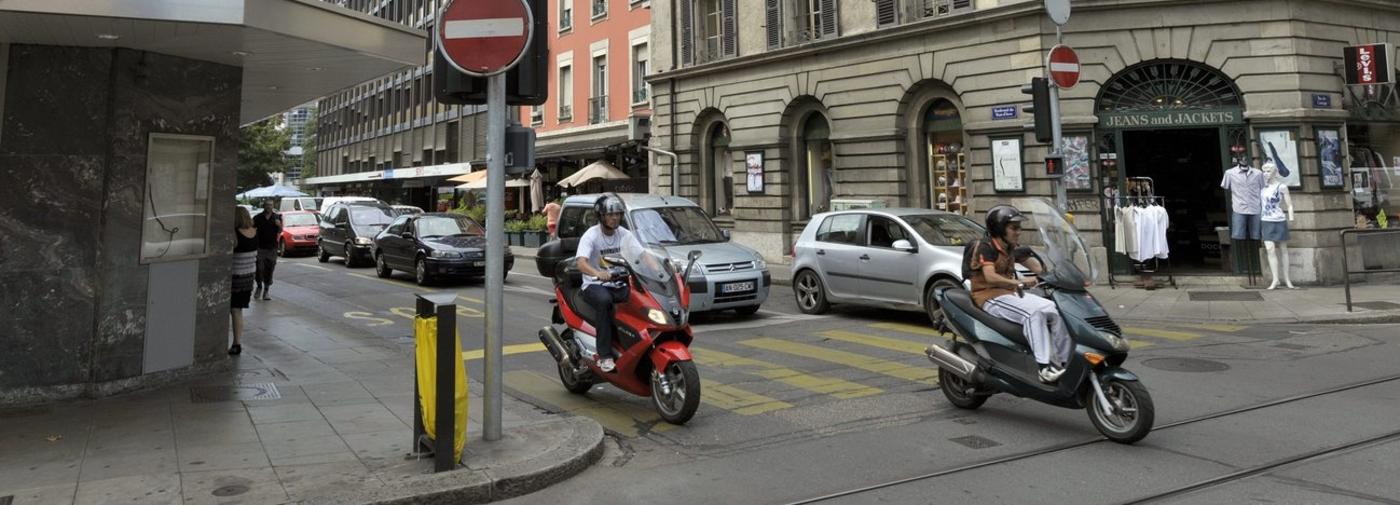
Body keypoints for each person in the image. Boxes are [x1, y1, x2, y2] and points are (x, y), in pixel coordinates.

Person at [964, 205, 1072, 383]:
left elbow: (1037, 268)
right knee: (1033, 314)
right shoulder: (985, 247)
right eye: (1014, 228)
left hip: (1009, 293)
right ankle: (1044, 368)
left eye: (1019, 227)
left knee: (1053, 308)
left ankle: (1064, 362)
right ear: (1000, 229)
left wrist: (1058, 275)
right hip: (989, 296)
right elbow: (990, 277)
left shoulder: (1010, 246)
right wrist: (1019, 282)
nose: (1019, 232)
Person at [574, 195, 646, 373]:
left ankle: (634, 343)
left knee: (640, 299)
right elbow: (581, 263)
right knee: (604, 301)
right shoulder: (591, 235)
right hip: (594, 285)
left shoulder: (624, 234)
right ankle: (605, 356)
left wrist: (662, 268)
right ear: (601, 216)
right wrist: (597, 273)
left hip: (618, 284)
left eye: (618, 214)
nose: (615, 218)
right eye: (610, 214)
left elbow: (642, 255)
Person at [230, 206, 258, 355]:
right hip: (248, 278)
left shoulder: (234, 234)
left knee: (234, 310)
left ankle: (236, 344)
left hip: (235, 278)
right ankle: (237, 341)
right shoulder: (255, 232)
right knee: (238, 310)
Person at [252, 200, 282, 300]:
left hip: (272, 248)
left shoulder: (277, 217)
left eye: (271, 205)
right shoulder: (257, 218)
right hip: (260, 247)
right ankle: (259, 286)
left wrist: (279, 225)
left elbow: (280, 231)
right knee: (259, 269)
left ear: (273, 206)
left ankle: (266, 291)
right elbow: (251, 230)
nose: (269, 206)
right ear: (264, 206)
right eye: (267, 205)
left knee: (270, 268)